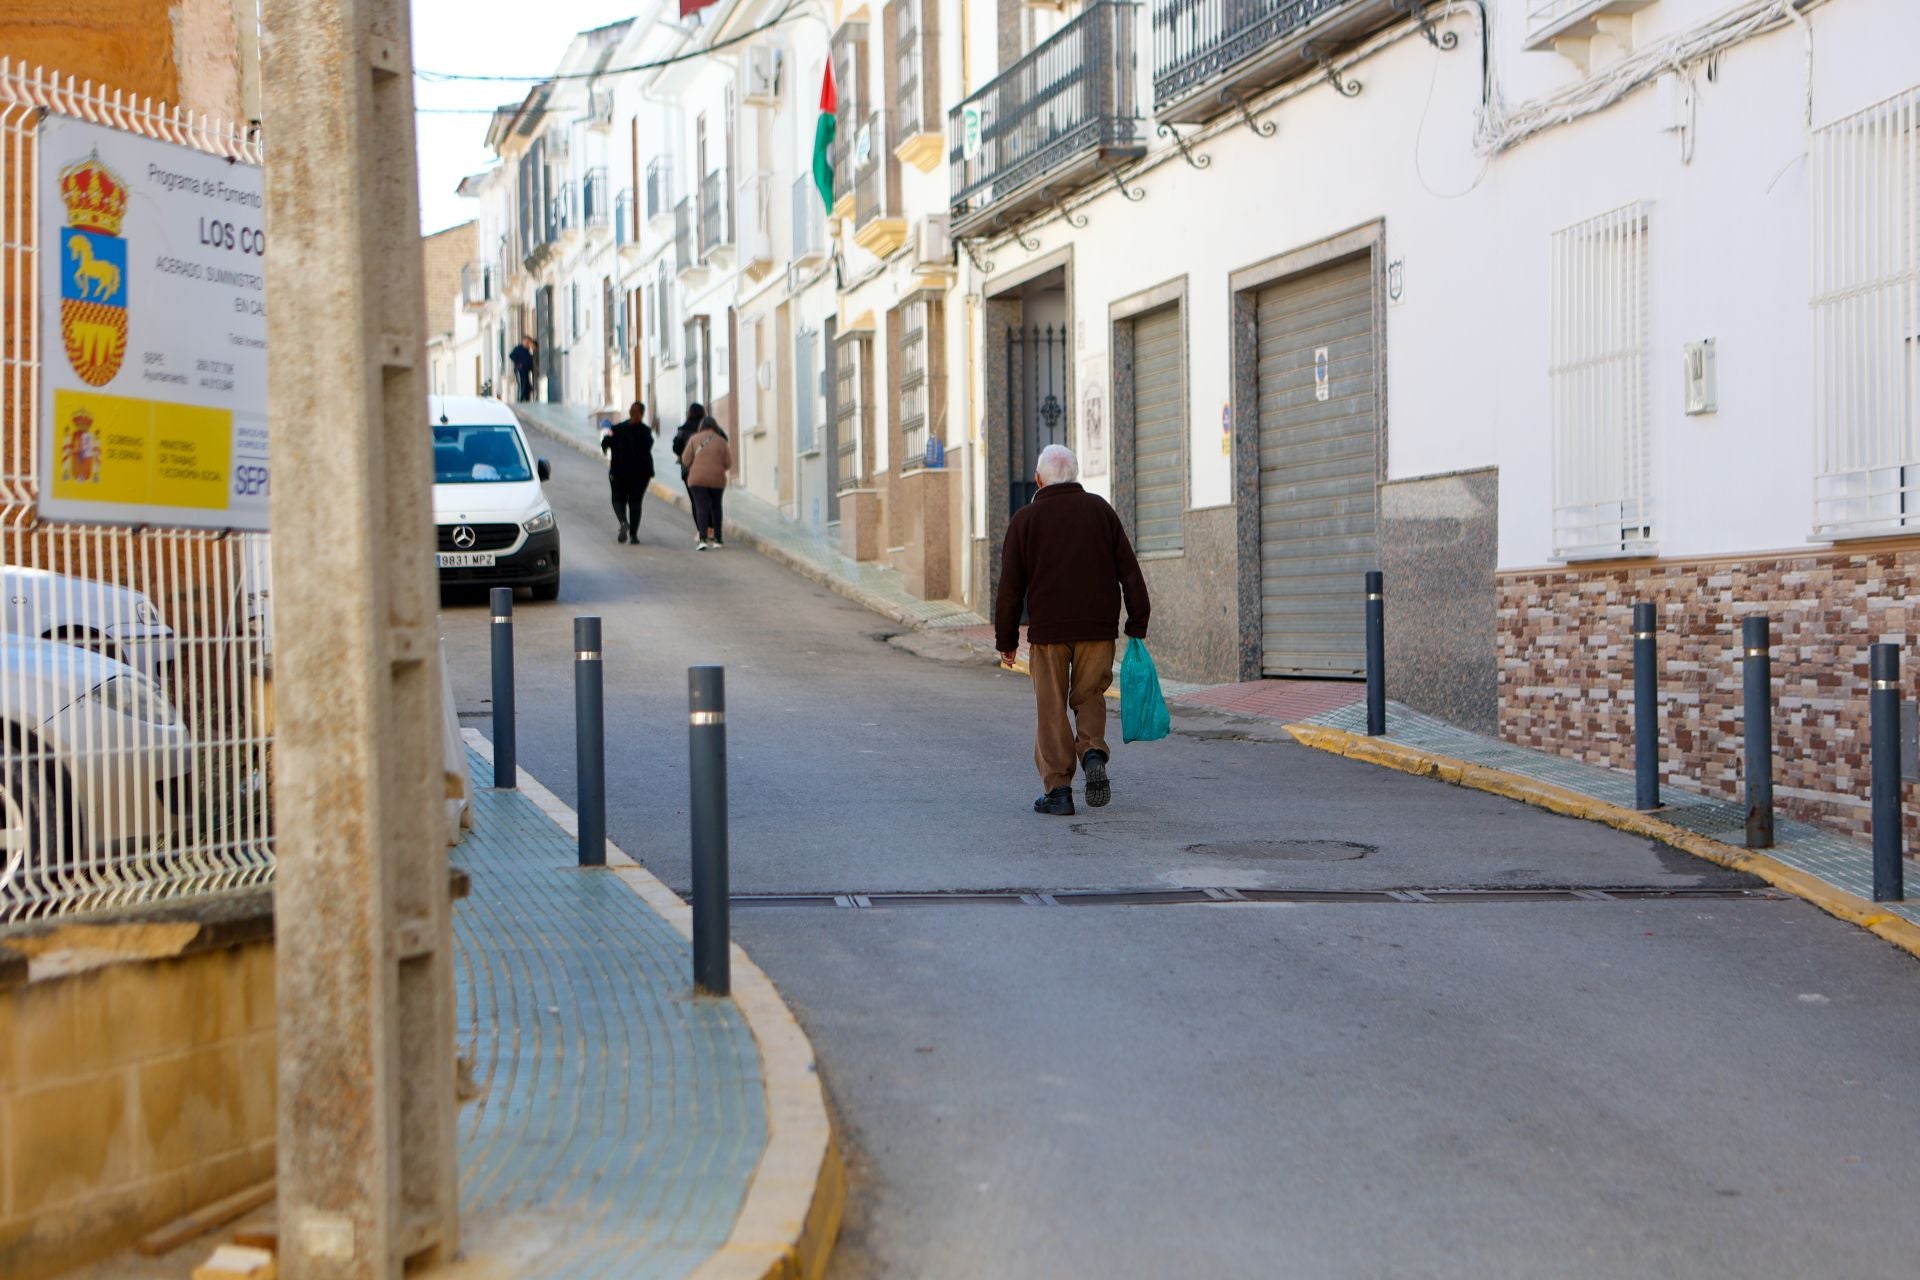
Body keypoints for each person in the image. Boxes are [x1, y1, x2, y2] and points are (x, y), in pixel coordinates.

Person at [994, 444, 1150, 817]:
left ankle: (1059, 792)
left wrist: (1007, 640)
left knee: (1051, 708)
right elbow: (1129, 570)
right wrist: (1137, 621)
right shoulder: (1101, 511)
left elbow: (1010, 588)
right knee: (1090, 695)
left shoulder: (1026, 519)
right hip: (1097, 628)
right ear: (1075, 475)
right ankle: (1093, 750)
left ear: (1038, 479)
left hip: (1048, 633)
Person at [600, 400, 655, 544]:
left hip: (620, 471)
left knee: (618, 499)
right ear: (642, 414)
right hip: (641, 473)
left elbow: (605, 442)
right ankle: (634, 536)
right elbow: (649, 446)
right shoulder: (645, 431)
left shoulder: (618, 429)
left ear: (630, 412)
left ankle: (623, 522)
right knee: (635, 502)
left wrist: (606, 449)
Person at [683, 414, 732, 550]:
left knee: (701, 507)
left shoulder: (694, 439)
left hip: (697, 479)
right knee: (716, 507)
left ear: (702, 426)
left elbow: (686, 460)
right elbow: (728, 463)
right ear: (715, 427)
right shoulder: (721, 441)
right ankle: (718, 539)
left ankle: (703, 539)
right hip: (717, 479)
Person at [671, 402, 708, 543]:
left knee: (695, 501)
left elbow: (676, 447)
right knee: (708, 500)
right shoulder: (708, 428)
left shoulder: (684, 429)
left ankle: (701, 530)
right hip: (707, 469)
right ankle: (710, 529)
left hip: (689, 470)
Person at [509, 337, 534, 402]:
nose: (527, 343)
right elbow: (511, 356)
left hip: (527, 370)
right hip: (520, 369)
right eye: (526, 342)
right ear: (523, 341)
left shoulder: (528, 349)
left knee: (527, 384)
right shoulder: (518, 348)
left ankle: (526, 398)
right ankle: (521, 399)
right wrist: (518, 363)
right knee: (522, 383)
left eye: (528, 342)